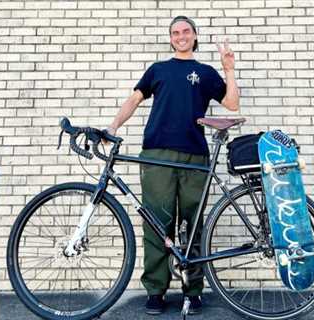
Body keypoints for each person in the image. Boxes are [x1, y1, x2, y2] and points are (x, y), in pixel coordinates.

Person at [106, 16, 240, 315]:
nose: (180, 36)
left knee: (193, 226)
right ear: (170, 39)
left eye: (186, 32)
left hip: (195, 156)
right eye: (175, 32)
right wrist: (113, 126)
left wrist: (229, 69)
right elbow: (134, 100)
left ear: (194, 37)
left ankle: (193, 291)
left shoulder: (204, 73)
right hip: (156, 155)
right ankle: (156, 291)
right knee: (157, 223)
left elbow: (231, 104)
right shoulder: (158, 70)